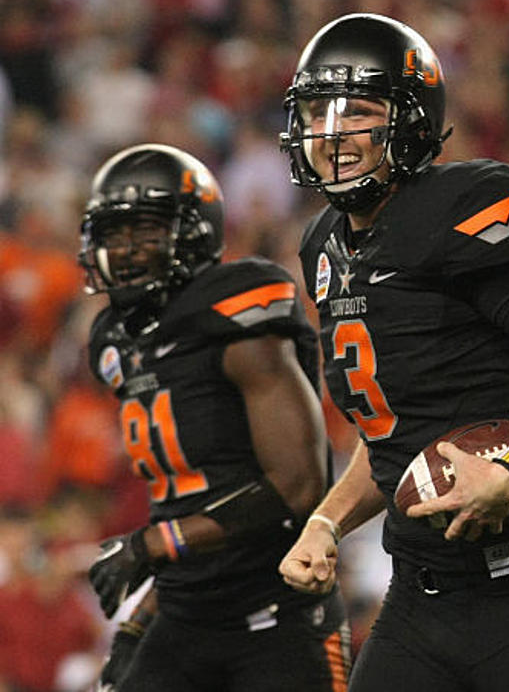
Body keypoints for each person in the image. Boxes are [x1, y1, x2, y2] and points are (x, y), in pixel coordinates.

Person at [277, 13, 509, 692]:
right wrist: (326, 521)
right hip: (419, 597)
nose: (334, 132)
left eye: (360, 111)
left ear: (408, 121)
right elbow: (391, 433)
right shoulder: (324, 245)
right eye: (319, 111)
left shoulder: (462, 206)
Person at [78, 144, 349, 691]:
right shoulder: (117, 343)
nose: (125, 250)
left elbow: (298, 485)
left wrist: (152, 545)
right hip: (185, 616)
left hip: (278, 615)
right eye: (114, 234)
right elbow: (186, 503)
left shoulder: (238, 315)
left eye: (145, 232)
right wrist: (136, 627)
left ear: (192, 231)